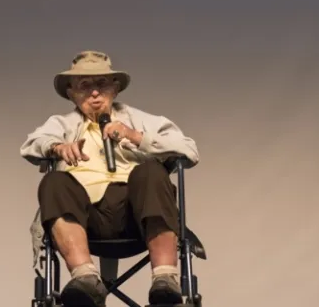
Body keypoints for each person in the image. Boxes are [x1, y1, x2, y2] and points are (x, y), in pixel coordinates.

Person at [20, 50, 199, 307]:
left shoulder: (140, 120)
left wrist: (136, 136)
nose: (95, 92)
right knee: (54, 182)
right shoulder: (62, 123)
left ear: (115, 89)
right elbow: (30, 145)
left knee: (150, 172)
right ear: (72, 93)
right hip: (84, 218)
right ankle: (85, 278)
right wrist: (56, 147)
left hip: (138, 216)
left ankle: (165, 279)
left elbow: (189, 151)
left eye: (102, 84)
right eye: (85, 85)